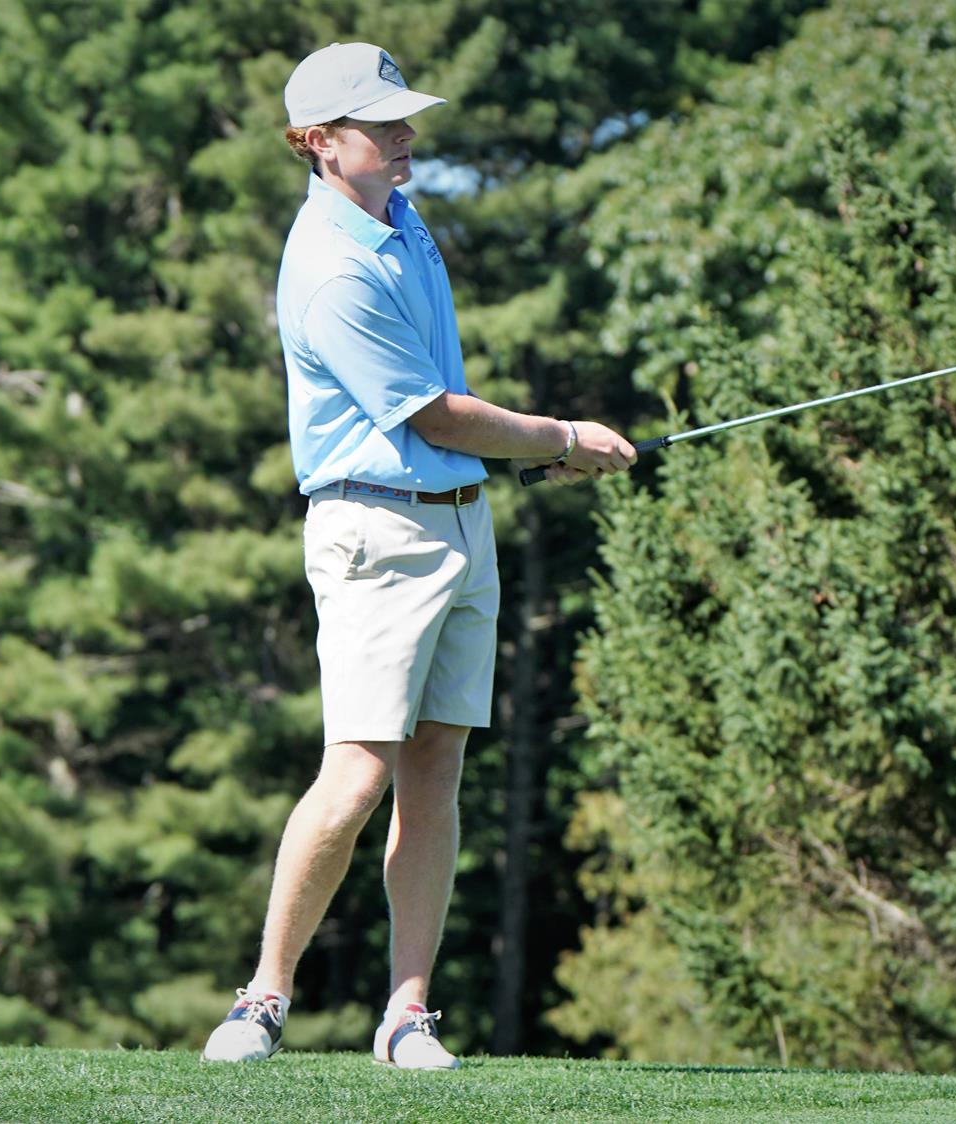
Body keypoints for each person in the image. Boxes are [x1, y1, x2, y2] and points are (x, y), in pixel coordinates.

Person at [200, 41, 635, 1070]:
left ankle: (405, 1012)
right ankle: (262, 996)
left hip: (456, 520)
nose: (405, 136)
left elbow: (445, 425)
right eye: (380, 124)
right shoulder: (328, 268)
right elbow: (435, 414)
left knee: (435, 767)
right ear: (315, 143)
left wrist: (529, 459)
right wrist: (561, 438)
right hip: (372, 532)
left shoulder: (400, 217)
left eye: (404, 118)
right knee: (355, 773)